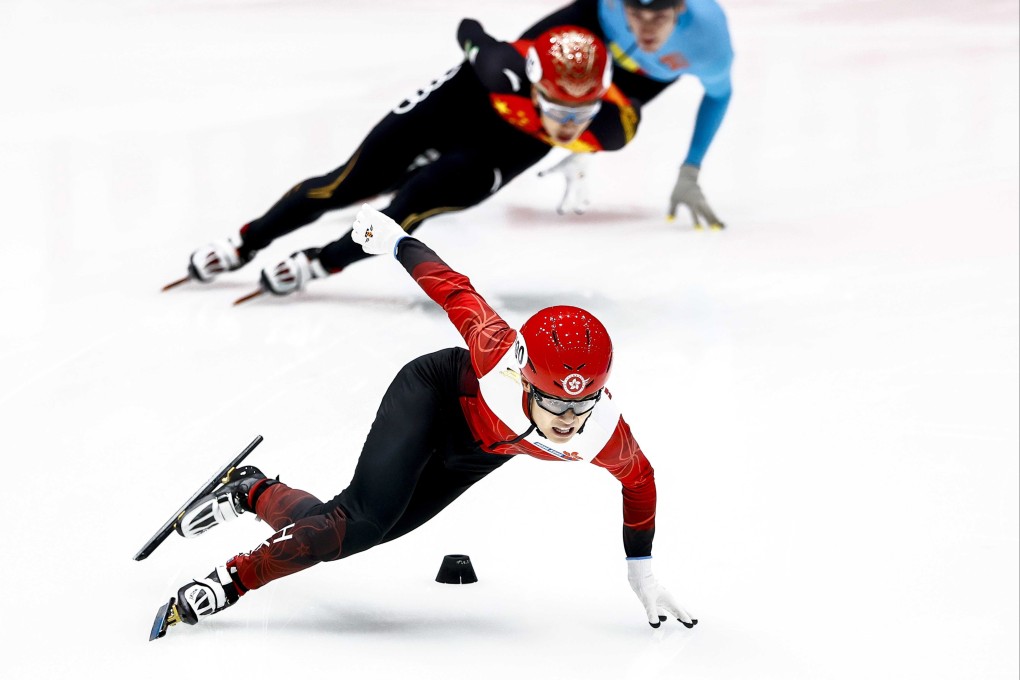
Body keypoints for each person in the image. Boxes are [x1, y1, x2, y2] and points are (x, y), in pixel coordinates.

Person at [155, 204, 698, 635]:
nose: (566, 420)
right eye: (554, 401)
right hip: (433, 395)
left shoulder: (605, 433)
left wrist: (641, 571)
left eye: (580, 405)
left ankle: (252, 492)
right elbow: (452, 287)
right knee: (358, 521)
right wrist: (393, 239)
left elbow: (641, 482)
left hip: (478, 452)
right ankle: (228, 582)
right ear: (524, 376)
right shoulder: (497, 352)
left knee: (354, 532)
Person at [168, 20, 642, 300]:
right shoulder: (501, 70)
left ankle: (321, 262)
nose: (569, 127)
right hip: (451, 109)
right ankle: (245, 242)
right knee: (343, 186)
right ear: (533, 84)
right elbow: (468, 29)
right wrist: (479, 51)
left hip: (499, 150)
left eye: (583, 113)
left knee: (410, 207)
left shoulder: (614, 125)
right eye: (559, 110)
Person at [521, 0, 734, 228]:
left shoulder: (707, 42)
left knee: (577, 123)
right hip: (597, 23)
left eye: (659, 18)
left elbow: (718, 96)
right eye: (636, 14)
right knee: (516, 70)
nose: (646, 30)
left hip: (647, 74)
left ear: (680, 8)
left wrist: (690, 169)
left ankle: (583, 151)